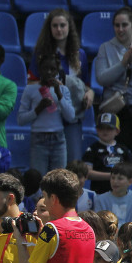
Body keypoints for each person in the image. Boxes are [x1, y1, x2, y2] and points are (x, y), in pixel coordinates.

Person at [30, 9, 94, 162]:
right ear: (49, 28)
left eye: (62, 25)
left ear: (69, 27)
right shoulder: (40, 54)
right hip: (49, 117)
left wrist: (90, 93)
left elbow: (85, 85)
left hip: (72, 117)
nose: (59, 29)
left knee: (73, 163)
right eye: (55, 26)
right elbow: (31, 83)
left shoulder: (80, 55)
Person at [18, 54, 76, 173]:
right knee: (39, 179)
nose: (49, 72)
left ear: (57, 71)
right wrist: (38, 109)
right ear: (39, 69)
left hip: (58, 139)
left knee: (58, 180)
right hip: (38, 139)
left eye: (53, 69)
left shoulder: (63, 90)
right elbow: (20, 119)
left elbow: (70, 117)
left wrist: (59, 95)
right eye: (45, 68)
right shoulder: (30, 89)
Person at [96, 7, 132, 155]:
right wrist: (122, 64)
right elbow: (101, 78)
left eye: (124, 25)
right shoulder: (105, 48)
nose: (120, 29)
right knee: (118, 156)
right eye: (117, 25)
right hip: (116, 110)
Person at [84, 112, 132, 195]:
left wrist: (120, 177)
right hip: (99, 192)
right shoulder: (92, 149)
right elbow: (87, 172)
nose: (105, 131)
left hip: (122, 193)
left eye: (109, 128)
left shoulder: (123, 149)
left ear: (117, 131)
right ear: (96, 130)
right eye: (101, 128)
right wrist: (111, 177)